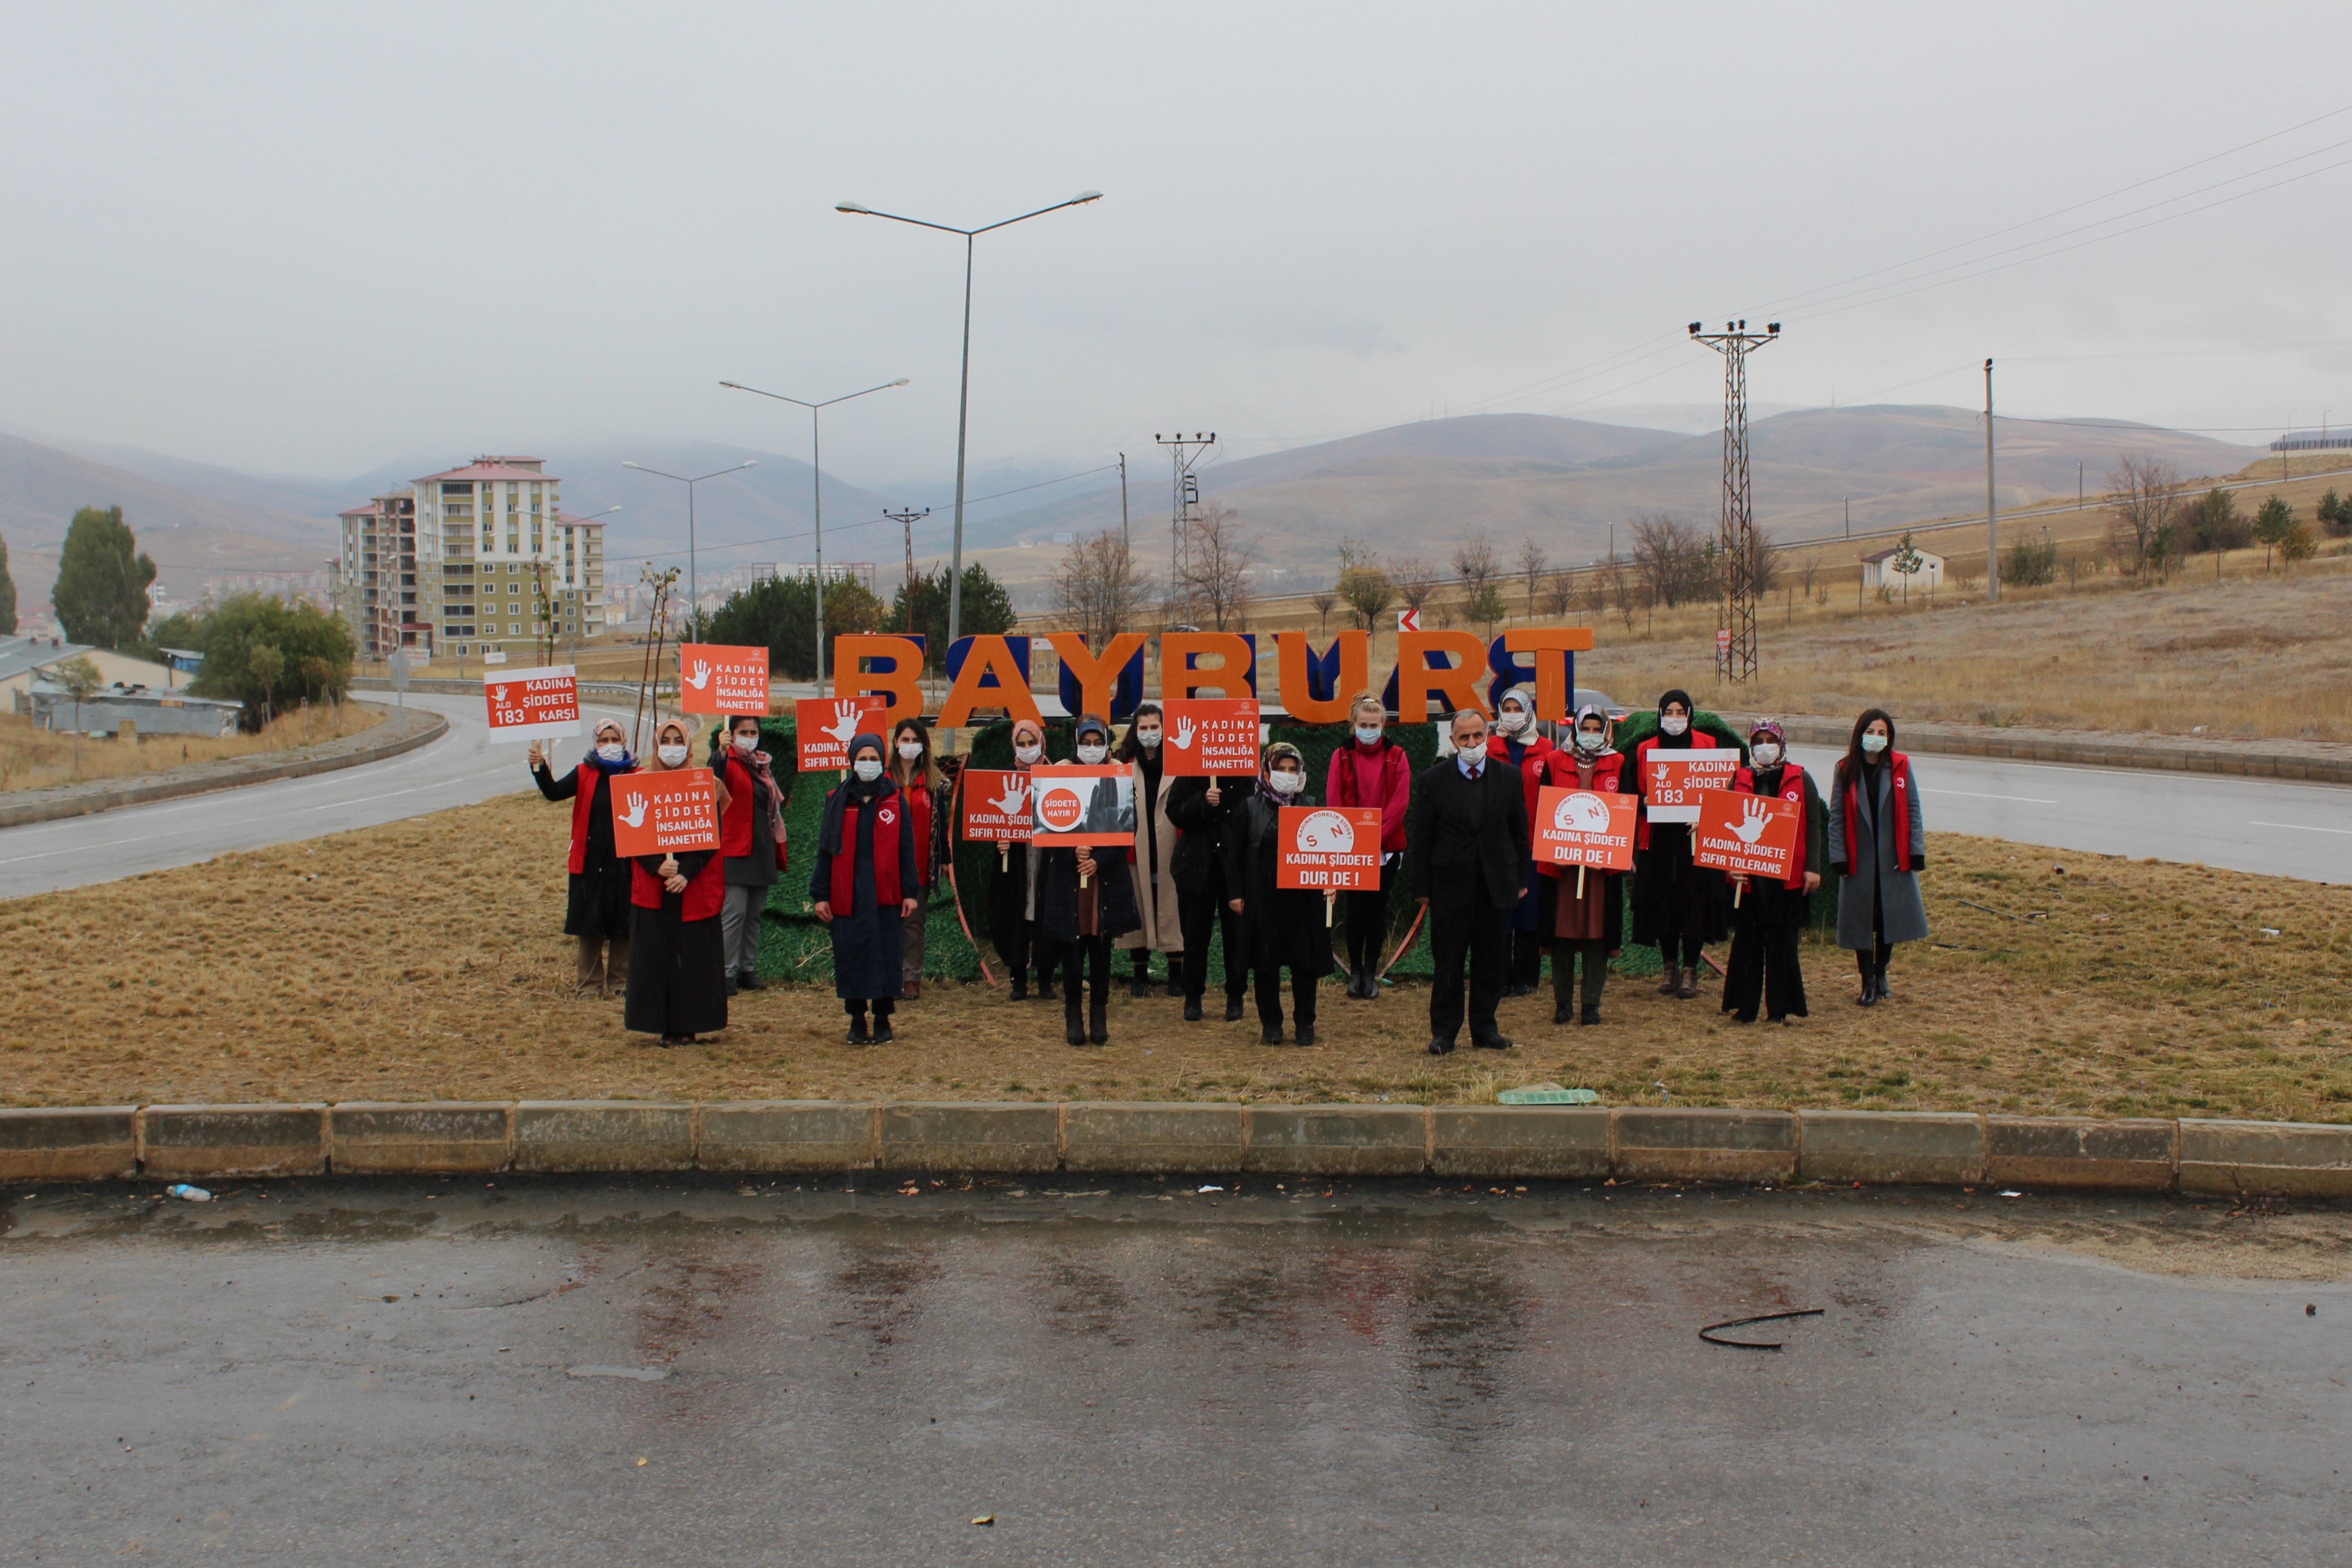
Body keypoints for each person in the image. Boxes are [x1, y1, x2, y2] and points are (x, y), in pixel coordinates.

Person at [1409, 707, 1531, 1055]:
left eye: (1477, 735)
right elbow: (1422, 838)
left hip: (1497, 885)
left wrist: (1520, 879)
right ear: (1453, 740)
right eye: (1464, 737)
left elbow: (1520, 832)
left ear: (1488, 736)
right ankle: (1444, 1033)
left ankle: (1485, 1028)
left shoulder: (1509, 777)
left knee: (1491, 961)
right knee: (1448, 962)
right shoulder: (1433, 780)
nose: (1472, 742)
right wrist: (1422, 889)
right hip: (1449, 887)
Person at [625, 717, 733, 1046]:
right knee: (657, 958)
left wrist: (686, 871)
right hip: (655, 886)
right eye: (666, 741)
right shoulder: (637, 783)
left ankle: (689, 1024)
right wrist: (658, 866)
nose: (672, 747)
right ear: (657, 746)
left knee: (692, 960)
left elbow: (711, 836)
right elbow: (631, 832)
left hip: (692, 886)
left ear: (688, 745)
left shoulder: (705, 784)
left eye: (678, 740)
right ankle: (660, 1023)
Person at [1222, 742, 1336, 1045]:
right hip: (1263, 900)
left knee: (1305, 965)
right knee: (1265, 964)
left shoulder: (1312, 807)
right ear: (1267, 771)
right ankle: (1271, 1023)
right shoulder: (1248, 808)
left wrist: (1331, 882)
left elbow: (1328, 855)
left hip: (1302, 902)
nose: (1287, 775)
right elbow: (1234, 856)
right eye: (1280, 769)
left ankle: (1305, 1024)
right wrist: (1236, 894)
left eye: (1292, 770)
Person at [1037, 714, 1140, 1044]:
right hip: (1069, 879)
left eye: (1098, 743)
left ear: (1107, 744)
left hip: (1104, 881)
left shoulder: (1120, 777)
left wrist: (1098, 860)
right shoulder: (1059, 775)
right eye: (1086, 742)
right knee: (1072, 950)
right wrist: (1073, 851)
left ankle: (1099, 1014)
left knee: (1100, 951)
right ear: (1077, 743)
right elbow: (1048, 822)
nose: (1092, 748)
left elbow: (1128, 827)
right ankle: (1073, 1015)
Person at [811, 733, 920, 1043]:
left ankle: (883, 1019)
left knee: (886, 956)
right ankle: (857, 1020)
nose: (868, 765)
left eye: (874, 759)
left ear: (883, 761)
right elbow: (825, 850)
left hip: (886, 894)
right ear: (852, 761)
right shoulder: (838, 799)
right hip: (848, 893)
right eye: (863, 759)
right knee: (852, 956)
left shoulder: (894, 798)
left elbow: (906, 847)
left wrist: (909, 891)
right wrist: (821, 895)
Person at [1522, 703, 1625, 1025]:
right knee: (1561, 932)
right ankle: (1562, 1004)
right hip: (1562, 870)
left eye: (1598, 729)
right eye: (1586, 728)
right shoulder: (1554, 760)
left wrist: (1618, 852)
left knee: (1597, 935)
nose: (1591, 735)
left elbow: (1625, 809)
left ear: (1606, 731)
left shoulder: (1618, 762)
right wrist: (1552, 850)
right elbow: (1543, 808)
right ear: (1575, 728)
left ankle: (1591, 1005)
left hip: (1600, 871)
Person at [1721, 719, 1828, 1025]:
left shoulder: (1800, 778)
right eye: (1758, 741)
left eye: (1770, 740)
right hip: (1750, 881)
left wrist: (1813, 868)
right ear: (1751, 746)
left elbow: (1814, 825)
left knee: (1783, 945)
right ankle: (1746, 1007)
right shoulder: (1739, 778)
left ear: (1781, 744)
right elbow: (1727, 826)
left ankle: (1779, 1010)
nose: (1764, 747)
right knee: (1748, 943)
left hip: (1788, 879)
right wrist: (1731, 868)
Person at [1629, 689, 1731, 1000]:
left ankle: (1690, 969)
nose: (1674, 719)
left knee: (1693, 904)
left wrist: (1708, 817)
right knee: (1663, 903)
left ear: (1690, 715)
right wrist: (1646, 801)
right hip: (1658, 840)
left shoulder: (1708, 746)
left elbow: (1723, 795)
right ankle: (1669, 966)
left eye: (1680, 712)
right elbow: (1631, 796)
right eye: (1669, 712)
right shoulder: (1645, 750)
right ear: (1660, 715)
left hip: (1695, 839)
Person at [528, 718, 637, 997]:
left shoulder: (636, 774)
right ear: (596, 743)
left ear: (624, 742)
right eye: (604, 740)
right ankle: (589, 985)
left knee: (622, 925)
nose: (610, 745)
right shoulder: (584, 772)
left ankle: (620, 983)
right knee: (590, 925)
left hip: (626, 863)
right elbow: (554, 793)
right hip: (590, 863)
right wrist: (539, 766)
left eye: (615, 740)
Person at [1828, 708, 1927, 1006]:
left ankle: (1881, 972)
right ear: (1860, 735)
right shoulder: (1845, 769)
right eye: (1871, 732)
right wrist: (1839, 856)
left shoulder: (1900, 767)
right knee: (1861, 919)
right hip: (1859, 857)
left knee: (1889, 916)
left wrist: (1916, 850)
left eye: (1882, 733)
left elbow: (1913, 810)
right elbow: (1837, 817)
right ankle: (1866, 980)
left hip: (1891, 857)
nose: (1876, 738)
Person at [1325, 691, 1410, 1001]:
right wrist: (1354, 841)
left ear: (1383, 725)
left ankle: (1371, 972)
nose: (1369, 729)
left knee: (1376, 911)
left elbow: (1400, 803)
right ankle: (1355, 972)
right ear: (1353, 723)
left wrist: (1375, 837)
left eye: (1374, 724)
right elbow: (1334, 800)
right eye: (1363, 724)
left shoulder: (1397, 755)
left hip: (1386, 849)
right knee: (1354, 911)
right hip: (1350, 847)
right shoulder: (1341, 755)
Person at [1485, 683, 1556, 996]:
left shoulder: (1547, 749)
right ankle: (1498, 976)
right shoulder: (1488, 747)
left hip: (1534, 844)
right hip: (1497, 844)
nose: (1512, 716)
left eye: (1518, 709)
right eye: (1507, 709)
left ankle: (1526, 976)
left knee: (1530, 912)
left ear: (1529, 712)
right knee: (1501, 912)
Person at [711, 713, 785, 997]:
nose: (750, 736)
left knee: (754, 914)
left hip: (762, 850)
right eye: (744, 731)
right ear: (731, 733)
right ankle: (725, 973)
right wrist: (720, 751)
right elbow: (712, 777)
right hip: (735, 849)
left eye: (754, 732)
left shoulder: (762, 766)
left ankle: (747, 970)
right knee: (734, 913)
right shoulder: (726, 761)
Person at [984, 717, 1057, 1002]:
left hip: (1046, 856)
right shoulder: (1003, 778)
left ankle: (1046, 979)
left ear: (1041, 742)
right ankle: (1018, 979)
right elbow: (989, 818)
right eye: (1022, 743)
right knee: (1014, 913)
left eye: (1032, 742)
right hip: (1013, 858)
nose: (1028, 748)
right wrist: (998, 839)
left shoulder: (1056, 775)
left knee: (1046, 913)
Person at [1166, 768, 1248, 1023]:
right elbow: (1175, 812)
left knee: (1236, 937)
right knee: (1194, 936)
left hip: (1234, 867)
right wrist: (1202, 801)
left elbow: (1253, 814)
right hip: (1195, 867)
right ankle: (1193, 997)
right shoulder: (1190, 771)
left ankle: (1235, 997)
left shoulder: (1246, 773)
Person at [1114, 702, 1184, 998]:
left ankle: (1177, 977)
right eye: (1143, 728)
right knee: (1138, 911)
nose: (1149, 733)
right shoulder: (1122, 763)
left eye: (1155, 727)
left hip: (1172, 844)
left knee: (1174, 910)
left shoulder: (1181, 761)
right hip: (1135, 847)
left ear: (1164, 729)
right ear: (1135, 730)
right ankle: (1139, 976)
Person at [887, 717, 948, 1000]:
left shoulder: (934, 782)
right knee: (887, 923)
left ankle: (912, 978)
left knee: (913, 924)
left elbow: (942, 825)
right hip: (886, 866)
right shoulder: (882, 779)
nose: (910, 746)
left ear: (924, 745)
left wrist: (945, 859)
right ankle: (888, 976)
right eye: (905, 740)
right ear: (896, 743)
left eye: (915, 741)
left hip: (920, 866)